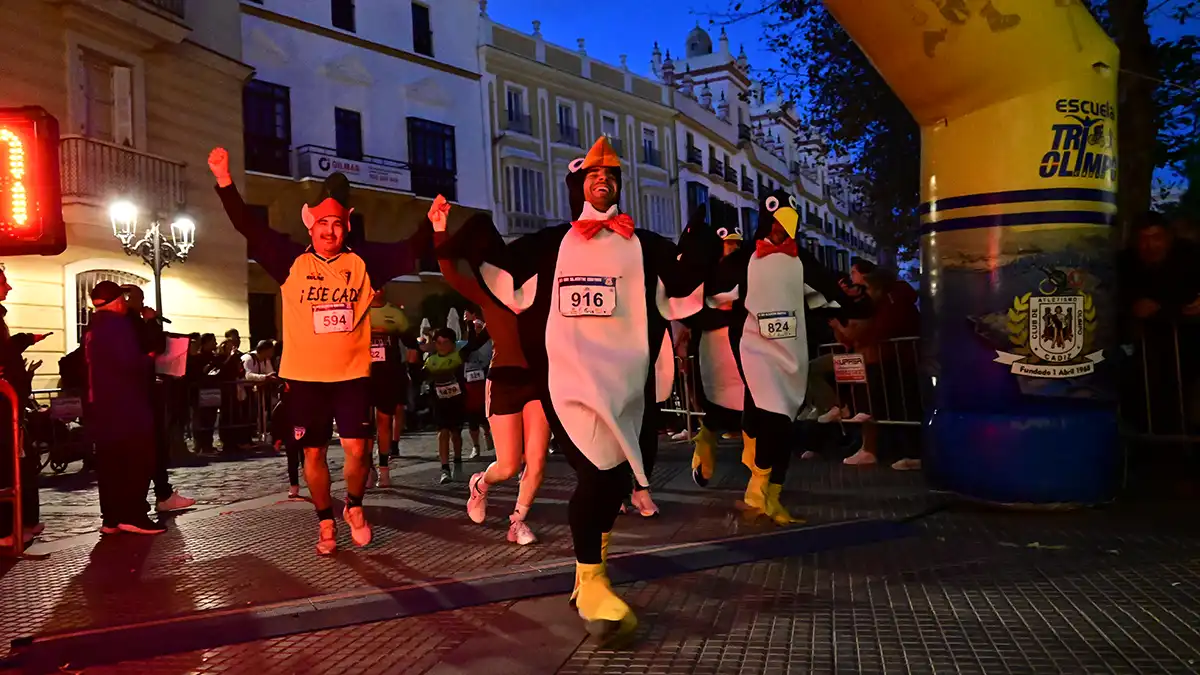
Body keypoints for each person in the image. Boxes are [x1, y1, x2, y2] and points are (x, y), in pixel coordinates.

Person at [442, 136, 718, 642]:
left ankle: (588, 574)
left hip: (626, 390)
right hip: (568, 385)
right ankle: (591, 580)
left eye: (611, 173)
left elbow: (685, 284)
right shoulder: (550, 245)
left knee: (613, 483)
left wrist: (704, 243)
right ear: (578, 185)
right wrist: (451, 234)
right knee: (594, 477)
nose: (603, 178)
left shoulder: (645, 246)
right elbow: (498, 266)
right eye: (594, 173)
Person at [209, 146, 424, 556]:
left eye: (337, 225)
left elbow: (408, 250)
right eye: (322, 224)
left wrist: (435, 226)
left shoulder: (363, 262)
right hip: (304, 378)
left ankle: (355, 508)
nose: (329, 231)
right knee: (313, 451)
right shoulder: (289, 260)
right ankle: (325, 520)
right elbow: (248, 227)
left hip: (350, 376)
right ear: (311, 227)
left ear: (346, 227)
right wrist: (224, 181)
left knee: (358, 450)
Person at [707, 190, 850, 525]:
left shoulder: (802, 260)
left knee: (779, 424)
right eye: (774, 222)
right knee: (770, 420)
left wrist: (849, 307)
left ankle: (766, 491)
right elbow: (714, 293)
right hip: (754, 352)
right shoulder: (744, 260)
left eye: (786, 223)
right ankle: (763, 490)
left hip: (791, 354)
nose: (779, 230)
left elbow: (825, 293)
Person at [431, 196, 550, 547]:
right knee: (510, 464)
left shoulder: (539, 289)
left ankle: (517, 521)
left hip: (539, 379)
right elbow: (451, 272)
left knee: (539, 459)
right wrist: (439, 228)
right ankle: (480, 484)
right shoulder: (487, 292)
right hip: (504, 379)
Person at [84, 281, 165, 535]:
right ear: (118, 300)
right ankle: (133, 515)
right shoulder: (118, 326)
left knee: (110, 464)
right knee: (135, 460)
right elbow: (130, 364)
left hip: (103, 407)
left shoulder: (92, 327)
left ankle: (111, 518)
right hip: (126, 406)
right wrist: (149, 358)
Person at [829, 267, 921, 469]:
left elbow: (875, 331)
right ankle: (877, 446)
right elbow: (851, 337)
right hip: (883, 358)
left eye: (866, 288)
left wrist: (847, 329)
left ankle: (911, 453)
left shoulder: (892, 302)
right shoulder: (880, 303)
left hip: (898, 359)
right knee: (891, 408)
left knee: (901, 407)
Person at [119, 285, 196, 512]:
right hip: (140, 393)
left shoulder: (120, 323)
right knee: (152, 444)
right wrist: (151, 321)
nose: (143, 303)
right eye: (140, 298)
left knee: (150, 446)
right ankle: (159, 494)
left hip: (132, 393)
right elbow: (154, 344)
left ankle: (160, 492)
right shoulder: (131, 322)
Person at [688, 226, 752, 487]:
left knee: (751, 407)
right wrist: (725, 315)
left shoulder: (748, 272)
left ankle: (759, 474)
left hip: (743, 347)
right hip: (712, 351)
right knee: (714, 411)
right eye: (727, 244)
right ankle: (704, 452)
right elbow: (691, 312)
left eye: (736, 244)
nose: (732, 248)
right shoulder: (703, 275)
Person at [0, 266, 49, 549]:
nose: (9, 288)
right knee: (9, 466)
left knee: (21, 463)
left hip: (11, 406)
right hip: (5, 409)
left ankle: (21, 522)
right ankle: (9, 528)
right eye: (4, 283)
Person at [424, 326, 490, 484]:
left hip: (457, 402)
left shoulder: (459, 356)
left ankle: (458, 460)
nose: (442, 346)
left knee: (456, 434)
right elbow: (421, 375)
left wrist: (476, 326)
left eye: (446, 343)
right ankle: (445, 468)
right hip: (440, 402)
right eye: (439, 343)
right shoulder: (431, 361)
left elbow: (474, 344)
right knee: (443, 432)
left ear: (453, 344)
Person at [367, 290, 413, 487]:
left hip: (388, 375)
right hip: (363, 374)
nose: (377, 290)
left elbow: (411, 343)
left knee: (384, 422)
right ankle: (368, 468)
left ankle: (384, 469)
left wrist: (412, 364)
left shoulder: (396, 313)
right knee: (364, 426)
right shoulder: (359, 311)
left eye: (380, 286)